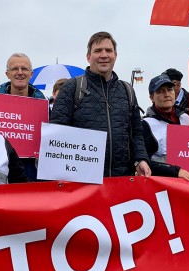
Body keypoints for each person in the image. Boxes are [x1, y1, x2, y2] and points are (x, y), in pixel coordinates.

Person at [50, 31, 151, 177]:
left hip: (121, 181)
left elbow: (136, 132)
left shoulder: (127, 90)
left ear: (115, 56)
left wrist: (140, 159)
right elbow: (57, 133)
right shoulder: (72, 87)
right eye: (98, 51)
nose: (104, 55)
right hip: (82, 181)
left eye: (109, 50)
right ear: (88, 57)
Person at [0, 53, 46, 180]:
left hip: (32, 173)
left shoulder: (43, 106)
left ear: (31, 74)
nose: (20, 72)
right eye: (14, 69)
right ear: (7, 74)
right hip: (1, 172)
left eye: (24, 69)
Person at [142, 75, 189, 182]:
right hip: (163, 186)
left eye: (169, 89)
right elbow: (144, 163)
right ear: (151, 97)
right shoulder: (146, 124)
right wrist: (176, 171)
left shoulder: (186, 118)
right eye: (160, 91)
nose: (167, 94)